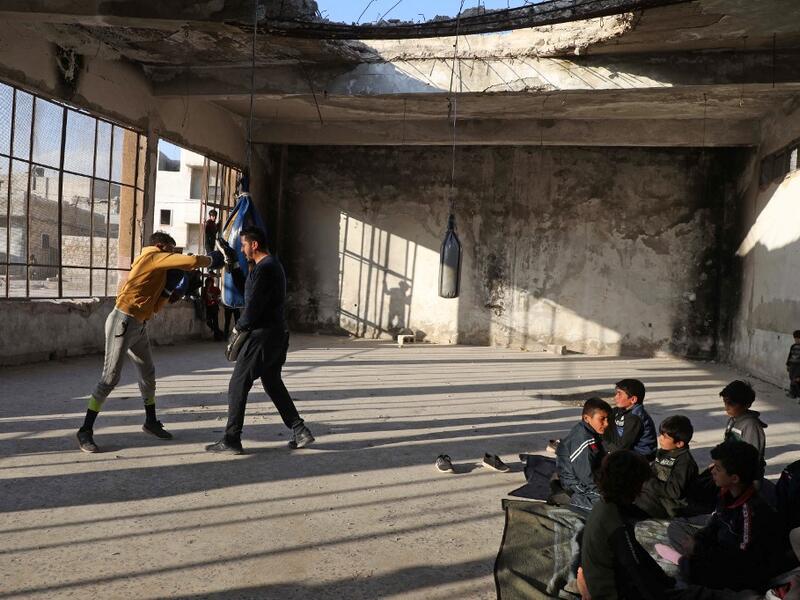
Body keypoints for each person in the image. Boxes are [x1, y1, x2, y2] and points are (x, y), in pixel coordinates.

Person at [76, 231, 225, 453]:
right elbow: (192, 261)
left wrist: (166, 291)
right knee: (109, 378)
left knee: (148, 373)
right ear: (161, 245)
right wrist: (212, 259)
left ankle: (151, 421)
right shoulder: (151, 256)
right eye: (171, 251)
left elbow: (154, 308)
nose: (172, 255)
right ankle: (85, 430)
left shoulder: (158, 269)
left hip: (138, 325)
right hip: (122, 322)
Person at [206, 226, 314, 454]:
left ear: (254, 245)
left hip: (262, 336)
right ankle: (300, 430)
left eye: (244, 245)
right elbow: (248, 288)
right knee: (272, 381)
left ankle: (231, 438)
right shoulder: (269, 266)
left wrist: (238, 329)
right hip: (277, 334)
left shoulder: (266, 269)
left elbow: (253, 307)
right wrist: (233, 265)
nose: (243, 249)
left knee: (238, 384)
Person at [665, 440, 785, 592]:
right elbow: (714, 523)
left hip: (741, 569)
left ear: (734, 478)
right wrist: (698, 540)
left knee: (692, 574)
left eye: (718, 468)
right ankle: (688, 562)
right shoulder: (726, 493)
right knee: (676, 529)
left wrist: (699, 549)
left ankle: (686, 564)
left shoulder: (751, 512)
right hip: (722, 549)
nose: (712, 471)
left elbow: (743, 560)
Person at [578, 450, 675, 600]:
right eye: (641, 483)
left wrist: (665, 581)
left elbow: (638, 555)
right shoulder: (614, 522)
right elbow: (635, 569)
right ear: (631, 484)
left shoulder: (604, 506)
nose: (642, 490)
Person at [635, 415, 699, 518]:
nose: (660, 438)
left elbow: (674, 491)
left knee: (636, 501)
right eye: (661, 434)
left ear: (679, 443)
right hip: (656, 496)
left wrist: (649, 483)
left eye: (665, 437)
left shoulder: (684, 462)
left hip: (671, 506)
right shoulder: (663, 452)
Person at [553, 397, 611, 510]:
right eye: (602, 419)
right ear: (586, 418)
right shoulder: (584, 439)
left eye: (607, 419)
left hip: (592, 476)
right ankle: (570, 499)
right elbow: (585, 476)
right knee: (607, 505)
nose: (607, 423)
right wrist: (603, 491)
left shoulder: (590, 431)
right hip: (574, 483)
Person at [721, 380, 767, 480]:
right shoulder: (732, 419)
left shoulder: (751, 426)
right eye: (725, 403)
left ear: (747, 405)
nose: (726, 407)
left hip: (745, 477)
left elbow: (752, 457)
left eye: (731, 404)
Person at [603, 378, 657, 459]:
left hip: (641, 459)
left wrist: (602, 440)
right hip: (625, 449)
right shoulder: (621, 409)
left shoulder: (635, 418)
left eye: (619, 394)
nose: (615, 397)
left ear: (633, 399)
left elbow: (622, 447)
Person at [202, 276, 223, 340]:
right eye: (207, 282)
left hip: (214, 306)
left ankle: (217, 337)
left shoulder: (216, 289)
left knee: (215, 322)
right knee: (208, 322)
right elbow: (203, 297)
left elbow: (219, 297)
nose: (209, 283)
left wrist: (215, 298)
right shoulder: (204, 289)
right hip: (208, 307)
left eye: (210, 282)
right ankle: (219, 332)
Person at [787, 330, 800, 400]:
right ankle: (792, 393)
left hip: (798, 366)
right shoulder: (793, 346)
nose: (796, 340)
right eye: (795, 339)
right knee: (791, 378)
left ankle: (795, 394)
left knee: (796, 380)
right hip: (792, 364)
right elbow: (790, 355)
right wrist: (788, 364)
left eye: (798, 339)